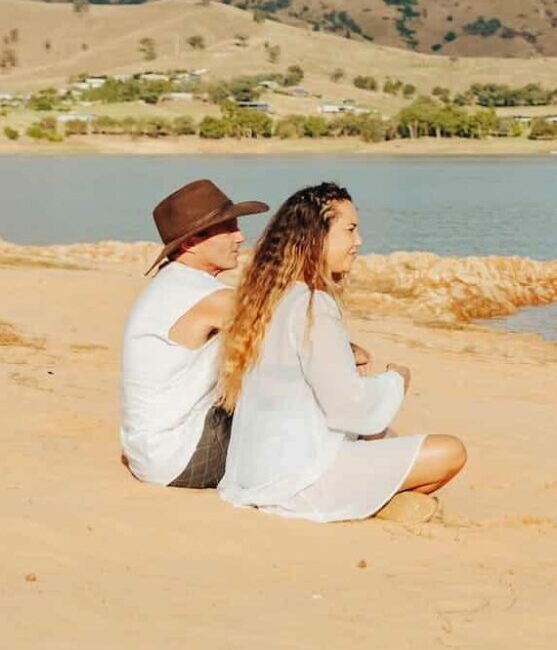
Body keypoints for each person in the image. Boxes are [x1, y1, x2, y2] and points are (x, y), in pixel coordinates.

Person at [217, 182, 466, 522]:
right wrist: (396, 380)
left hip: (255, 471)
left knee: (386, 438)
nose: (358, 242)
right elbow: (348, 408)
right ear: (316, 237)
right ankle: (379, 504)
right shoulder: (311, 303)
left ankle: (380, 498)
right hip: (297, 478)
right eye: (350, 230)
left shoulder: (272, 297)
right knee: (450, 452)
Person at [120, 178, 268, 488]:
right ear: (189, 244)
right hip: (179, 456)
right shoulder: (200, 295)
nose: (240, 237)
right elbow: (288, 330)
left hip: (154, 452)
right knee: (295, 421)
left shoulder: (177, 283)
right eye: (226, 229)